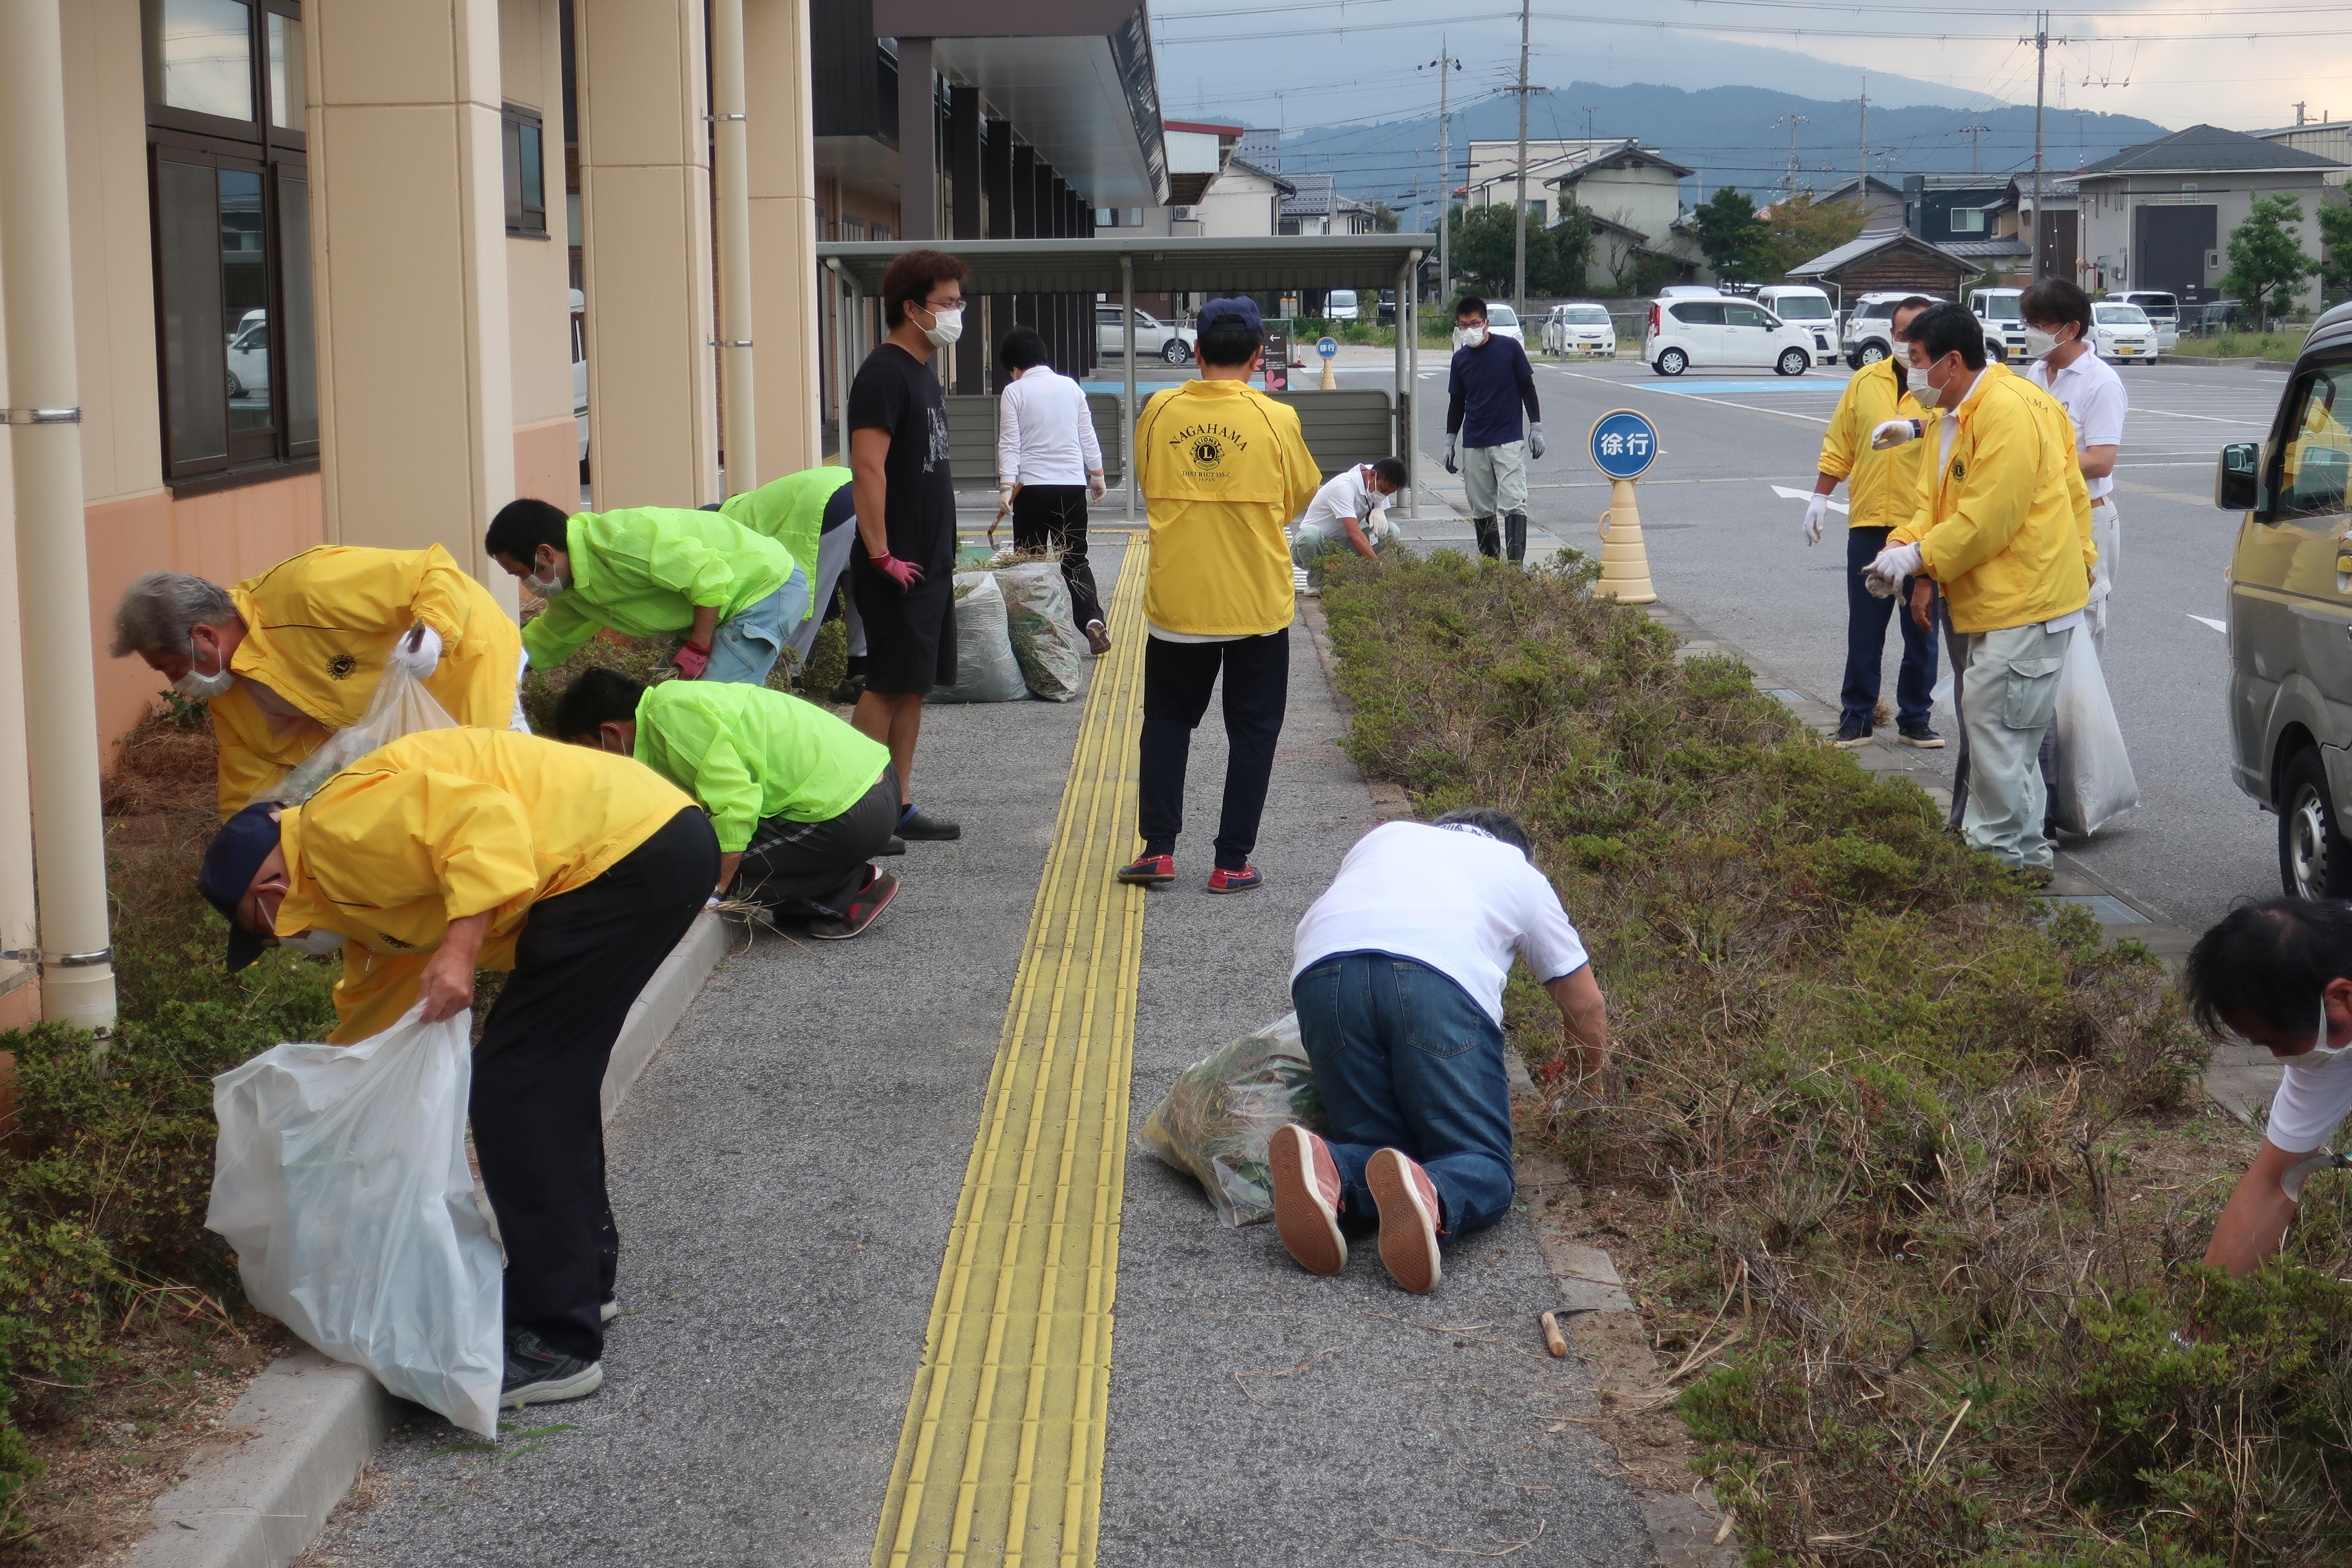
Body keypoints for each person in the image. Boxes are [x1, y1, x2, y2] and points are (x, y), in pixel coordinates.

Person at [196, 727, 719, 1406]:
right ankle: (579, 1285)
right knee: (545, 1085)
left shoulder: (334, 829)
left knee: (517, 1089)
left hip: (623, 857)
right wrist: (327, 1140)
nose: (286, 942)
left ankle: (557, 1342)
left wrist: (459, 951)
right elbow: (370, 1027)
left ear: (271, 886)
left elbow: (485, 825)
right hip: (639, 856)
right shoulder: (358, 902)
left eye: (264, 928)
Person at [1267, 809, 1608, 1293]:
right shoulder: (1518, 872)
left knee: (1380, 1145)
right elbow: (1586, 1006)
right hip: (1434, 982)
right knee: (1482, 1163)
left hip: (1322, 977)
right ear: (1516, 847)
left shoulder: (1384, 837)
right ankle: (1434, 1195)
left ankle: (1332, 1170)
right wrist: (1583, 1091)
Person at [1864, 301, 2093, 879]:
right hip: (2002, 600)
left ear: (1953, 361)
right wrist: (1900, 548)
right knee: (2002, 740)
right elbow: (1932, 506)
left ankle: (1996, 864)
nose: (1911, 374)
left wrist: (1918, 557)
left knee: (1997, 735)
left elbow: (1990, 517)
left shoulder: (2009, 413)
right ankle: (2021, 861)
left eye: (1916, 361)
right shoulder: (1954, 416)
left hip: (2027, 599)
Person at [1117, 296, 1321, 895]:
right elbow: (1297, 497)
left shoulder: (1160, 410)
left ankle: (1157, 852)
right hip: (1257, 602)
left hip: (1178, 601)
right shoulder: (1276, 419)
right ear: (1260, 357)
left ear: (1198, 351)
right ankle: (1232, 863)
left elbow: (1148, 482)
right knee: (1253, 731)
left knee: (1167, 724)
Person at [111, 547, 527, 819]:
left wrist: (435, 633)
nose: (175, 682)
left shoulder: (308, 588)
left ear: (204, 636)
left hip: (470, 662)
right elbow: (249, 779)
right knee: (441, 808)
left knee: (505, 793)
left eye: (170, 666)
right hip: (395, 717)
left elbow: (433, 573)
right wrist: (247, 848)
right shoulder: (230, 693)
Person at [551, 669, 901, 938]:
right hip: (872, 786)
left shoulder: (672, 717)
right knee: (691, 852)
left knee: (694, 871)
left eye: (589, 748)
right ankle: (839, 872)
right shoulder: (671, 704)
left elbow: (736, 804)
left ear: (610, 732)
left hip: (851, 811)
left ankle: (854, 886)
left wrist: (714, 890)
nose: (593, 762)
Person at [846, 247, 970, 843]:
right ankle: (849, 808)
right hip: (892, 564)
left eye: (958, 302)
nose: (956, 313)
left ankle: (898, 804)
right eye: (947, 303)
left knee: (913, 685)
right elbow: (867, 469)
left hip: (927, 563)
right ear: (912, 307)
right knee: (887, 684)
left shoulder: (923, 372)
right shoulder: (883, 373)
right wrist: (880, 554)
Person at [2180, 898, 2352, 1277]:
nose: (2281, 1058)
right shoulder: (2330, 1044)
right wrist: (2193, 1334)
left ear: (2341, 999)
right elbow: (2272, 1183)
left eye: (2285, 1043)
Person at [1804, 294, 1940, 750]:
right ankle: (1857, 716)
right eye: (1901, 333)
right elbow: (1840, 442)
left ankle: (1915, 718)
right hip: (1869, 523)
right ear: (1891, 334)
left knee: (1920, 624)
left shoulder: (1942, 388)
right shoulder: (1866, 381)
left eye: (1917, 333)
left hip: (1922, 527)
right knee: (1865, 625)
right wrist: (1820, 496)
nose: (1907, 341)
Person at [484, 499, 805, 686]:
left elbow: (710, 576)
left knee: (707, 707)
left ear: (546, 554)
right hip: (717, 607)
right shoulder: (572, 595)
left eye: (522, 573)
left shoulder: (619, 540)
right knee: (662, 703)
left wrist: (698, 649)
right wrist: (489, 672)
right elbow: (546, 641)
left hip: (762, 587)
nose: (525, 584)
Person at [991, 325, 1111, 656]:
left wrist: (1005, 487)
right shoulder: (1071, 388)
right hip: (1072, 487)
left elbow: (1010, 444)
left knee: (1030, 566)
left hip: (1030, 489)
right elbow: (1087, 434)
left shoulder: (1015, 392)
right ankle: (1092, 620)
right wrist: (1097, 476)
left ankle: (1040, 638)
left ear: (1014, 366)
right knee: (1075, 560)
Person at [2019, 278, 2124, 655]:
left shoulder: (2101, 383)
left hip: (2089, 516)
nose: (2032, 333)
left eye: (2041, 325)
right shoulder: (2036, 374)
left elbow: (2100, 461)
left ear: (2072, 328)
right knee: (2042, 621)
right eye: (2029, 323)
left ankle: (2082, 712)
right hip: (2044, 515)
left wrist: (2038, 466)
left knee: (2083, 620)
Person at [716, 465, 854, 673]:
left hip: (824, 505)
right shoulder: (758, 502)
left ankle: (787, 677)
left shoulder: (727, 523)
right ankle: (861, 673)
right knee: (864, 591)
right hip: (864, 492)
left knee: (796, 597)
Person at [1442, 296, 1543, 562]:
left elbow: (1527, 388)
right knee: (1481, 506)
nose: (1470, 330)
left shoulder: (1510, 349)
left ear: (1487, 323)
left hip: (1508, 439)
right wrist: (1450, 441)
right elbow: (1457, 402)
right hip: (1474, 441)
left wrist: (1536, 427)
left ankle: (1515, 566)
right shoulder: (1460, 359)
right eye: (1463, 325)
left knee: (1513, 501)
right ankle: (1490, 566)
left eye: (1475, 323)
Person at [1291, 456, 1408, 576]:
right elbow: (1353, 533)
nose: (1385, 496)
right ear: (1372, 475)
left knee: (1392, 531)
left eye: (1389, 493)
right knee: (1310, 534)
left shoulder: (1373, 476)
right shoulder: (1343, 487)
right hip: (1313, 546)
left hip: (1342, 544)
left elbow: (1371, 521)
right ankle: (1316, 582)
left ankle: (1355, 576)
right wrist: (1378, 567)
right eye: (1383, 490)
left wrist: (1377, 511)